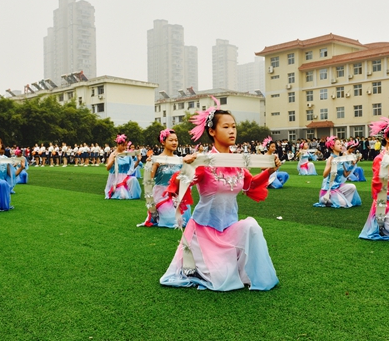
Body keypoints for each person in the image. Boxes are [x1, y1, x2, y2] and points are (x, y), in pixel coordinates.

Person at [160, 97, 280, 291]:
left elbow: (250, 185)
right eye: (226, 127)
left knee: (252, 226)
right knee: (223, 279)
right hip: (204, 232)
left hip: (229, 229)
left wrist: (270, 171)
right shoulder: (203, 162)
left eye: (234, 127)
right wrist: (187, 167)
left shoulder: (238, 162)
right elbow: (178, 185)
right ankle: (203, 264)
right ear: (212, 131)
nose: (232, 131)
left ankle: (253, 275)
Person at [138, 129, 192, 228]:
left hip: (176, 194)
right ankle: (158, 215)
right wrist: (152, 164)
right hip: (161, 194)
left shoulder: (179, 159)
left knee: (185, 218)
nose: (174, 142)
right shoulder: (157, 159)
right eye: (171, 140)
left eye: (176, 140)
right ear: (163, 142)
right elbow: (150, 178)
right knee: (172, 219)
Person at [313, 136, 361, 208]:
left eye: (341, 144)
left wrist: (352, 165)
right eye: (338, 144)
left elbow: (345, 174)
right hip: (330, 188)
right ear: (332, 147)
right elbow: (324, 175)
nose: (341, 146)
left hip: (338, 185)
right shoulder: (330, 159)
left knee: (352, 187)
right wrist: (331, 165)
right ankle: (325, 199)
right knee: (342, 204)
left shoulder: (341, 159)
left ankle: (339, 199)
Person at [104, 134, 142, 199]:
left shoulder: (127, 154)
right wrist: (113, 161)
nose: (124, 147)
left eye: (125, 145)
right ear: (118, 144)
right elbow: (108, 168)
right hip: (115, 178)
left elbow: (132, 167)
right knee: (122, 195)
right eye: (122, 145)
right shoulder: (113, 154)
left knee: (134, 179)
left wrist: (138, 160)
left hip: (125, 177)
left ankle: (133, 194)